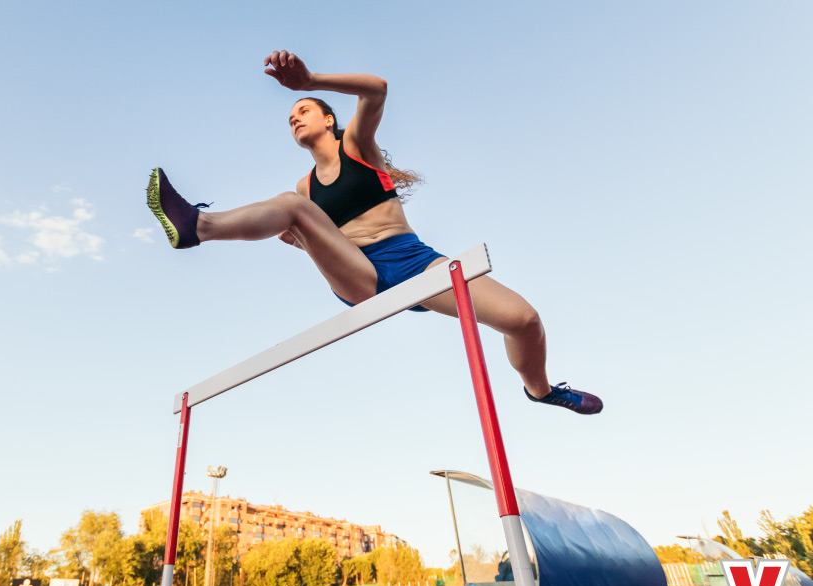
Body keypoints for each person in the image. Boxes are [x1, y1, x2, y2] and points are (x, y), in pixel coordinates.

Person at [145, 50, 602, 414]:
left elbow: (378, 89)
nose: (295, 119)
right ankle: (197, 226)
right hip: (359, 273)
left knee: (524, 320)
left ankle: (540, 392)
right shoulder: (305, 189)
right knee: (291, 207)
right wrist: (306, 240)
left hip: (413, 259)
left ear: (328, 119)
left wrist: (310, 82)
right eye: (289, 119)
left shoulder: (358, 147)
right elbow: (316, 239)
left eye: (303, 110)